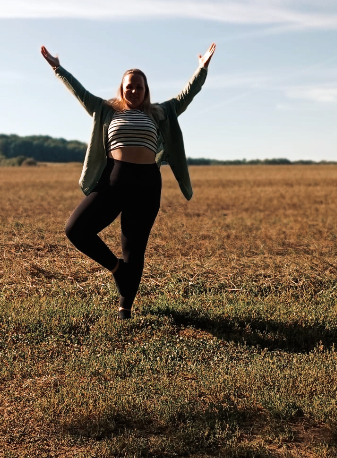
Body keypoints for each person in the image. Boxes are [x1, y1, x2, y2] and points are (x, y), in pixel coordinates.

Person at [40, 42, 216, 319]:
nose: (133, 91)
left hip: (146, 184)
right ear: (121, 89)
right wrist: (57, 68)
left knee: (133, 247)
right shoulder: (107, 110)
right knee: (76, 229)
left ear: (146, 91)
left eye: (139, 87)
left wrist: (202, 67)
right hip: (112, 181)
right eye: (128, 86)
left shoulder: (160, 112)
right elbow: (79, 92)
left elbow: (187, 94)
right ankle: (117, 270)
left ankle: (125, 308)